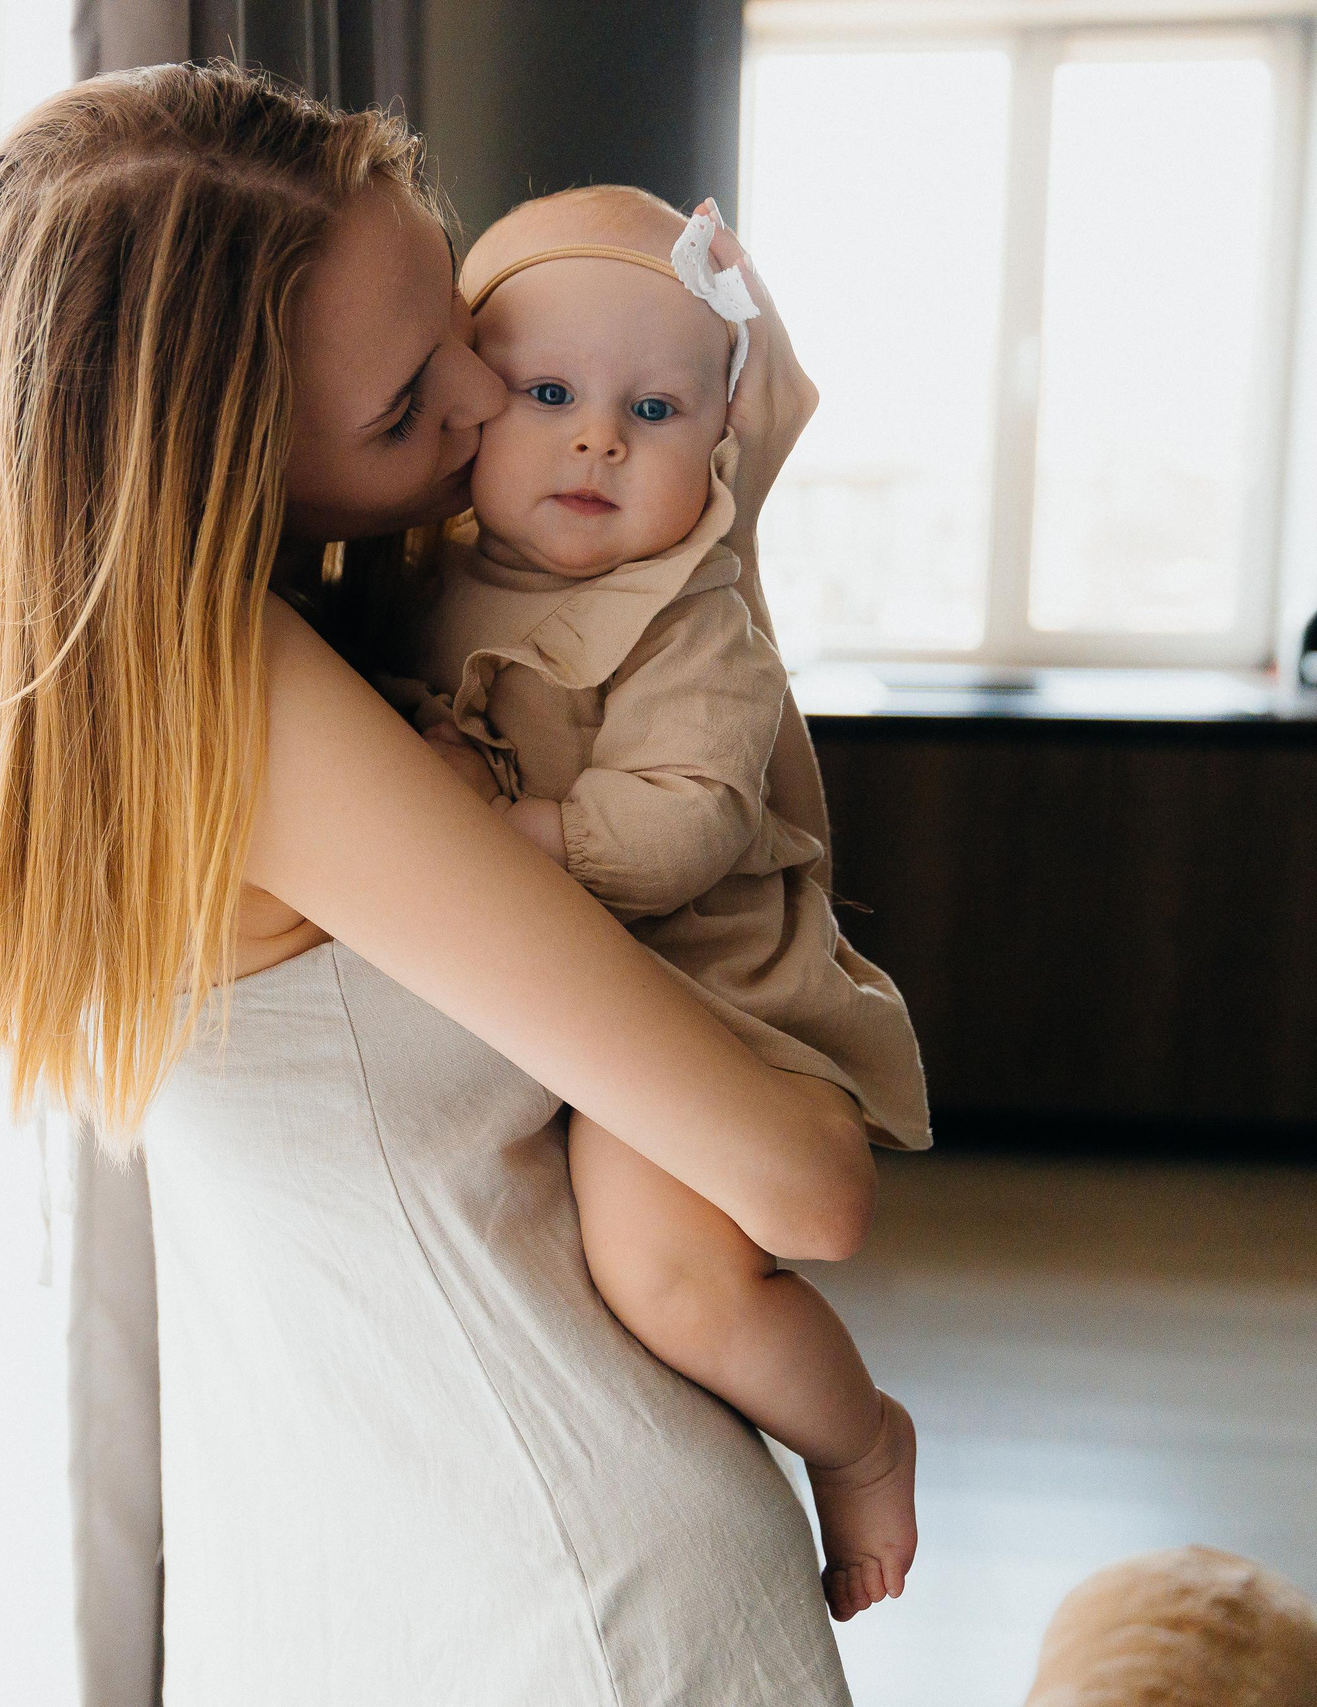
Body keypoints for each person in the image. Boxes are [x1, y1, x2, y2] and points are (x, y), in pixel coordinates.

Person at [0, 62, 870, 1704]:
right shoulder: (267, 707)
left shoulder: (87, 689)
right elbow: (805, 1176)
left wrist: (708, 524)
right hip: (566, 1596)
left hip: (345, 1567)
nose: (489, 407)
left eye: (461, 332)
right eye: (403, 404)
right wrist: (719, 550)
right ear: (220, 459)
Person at [386, 184, 928, 1623]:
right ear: (463, 412)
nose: (598, 437)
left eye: (660, 409)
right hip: (564, 985)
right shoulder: (415, 581)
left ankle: (861, 1439)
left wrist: (503, 830)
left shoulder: (694, 615)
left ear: (724, 444)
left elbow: (683, 825)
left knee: (670, 1278)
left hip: (704, 990)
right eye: (547, 390)